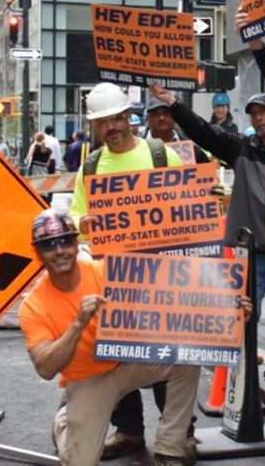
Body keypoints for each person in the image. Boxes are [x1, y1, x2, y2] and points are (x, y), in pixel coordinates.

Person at [147, 85, 265, 404]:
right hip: (253, 253)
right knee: (240, 317)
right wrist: (174, 105)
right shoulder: (241, 148)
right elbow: (203, 132)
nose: (260, 118)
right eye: (254, 114)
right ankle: (241, 382)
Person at [18, 209, 200, 466]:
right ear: (37, 253)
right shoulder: (34, 306)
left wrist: (229, 307)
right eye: (49, 245)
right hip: (88, 380)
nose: (59, 250)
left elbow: (172, 297)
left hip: (127, 365)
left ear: (75, 243)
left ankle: (170, 450)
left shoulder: (104, 272)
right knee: (78, 461)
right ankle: (63, 420)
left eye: (65, 241)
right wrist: (78, 323)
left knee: (187, 355)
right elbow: (46, 368)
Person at [67, 83, 184, 459]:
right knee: (117, 353)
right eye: (102, 122)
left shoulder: (160, 155)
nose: (111, 127)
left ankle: (177, 436)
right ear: (95, 126)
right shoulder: (91, 164)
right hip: (112, 276)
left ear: (129, 117)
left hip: (162, 274)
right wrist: (83, 221)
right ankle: (130, 431)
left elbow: (190, 206)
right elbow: (75, 213)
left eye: (116, 118)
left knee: (170, 356)